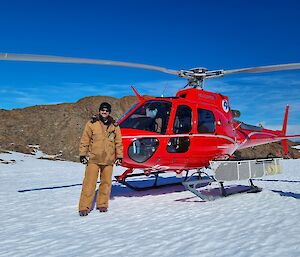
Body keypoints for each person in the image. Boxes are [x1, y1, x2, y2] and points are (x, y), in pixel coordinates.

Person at [78, 102, 123, 216]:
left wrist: (119, 156)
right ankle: (84, 207)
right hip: (94, 159)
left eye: (107, 110)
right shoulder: (91, 124)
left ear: (109, 112)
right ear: (99, 111)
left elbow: (118, 142)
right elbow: (85, 139)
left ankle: (102, 204)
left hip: (108, 160)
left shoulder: (115, 126)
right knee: (89, 184)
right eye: (103, 110)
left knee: (106, 183)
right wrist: (83, 154)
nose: (104, 112)